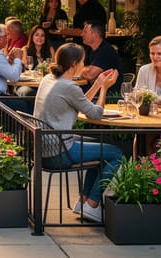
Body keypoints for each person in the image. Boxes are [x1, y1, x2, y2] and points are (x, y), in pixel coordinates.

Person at [33, 43, 121, 223]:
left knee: (99, 151)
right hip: (58, 152)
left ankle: (83, 201)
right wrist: (104, 88)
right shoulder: (68, 86)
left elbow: (80, 103)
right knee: (116, 154)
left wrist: (97, 84)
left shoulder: (49, 79)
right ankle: (93, 203)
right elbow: (96, 113)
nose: (85, 64)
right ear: (74, 63)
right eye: (82, 61)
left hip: (44, 147)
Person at [79, 21, 123, 89]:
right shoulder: (89, 49)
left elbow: (90, 75)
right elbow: (86, 72)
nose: (81, 34)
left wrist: (77, 69)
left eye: (85, 32)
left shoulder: (105, 51)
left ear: (95, 34)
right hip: (94, 91)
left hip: (109, 96)